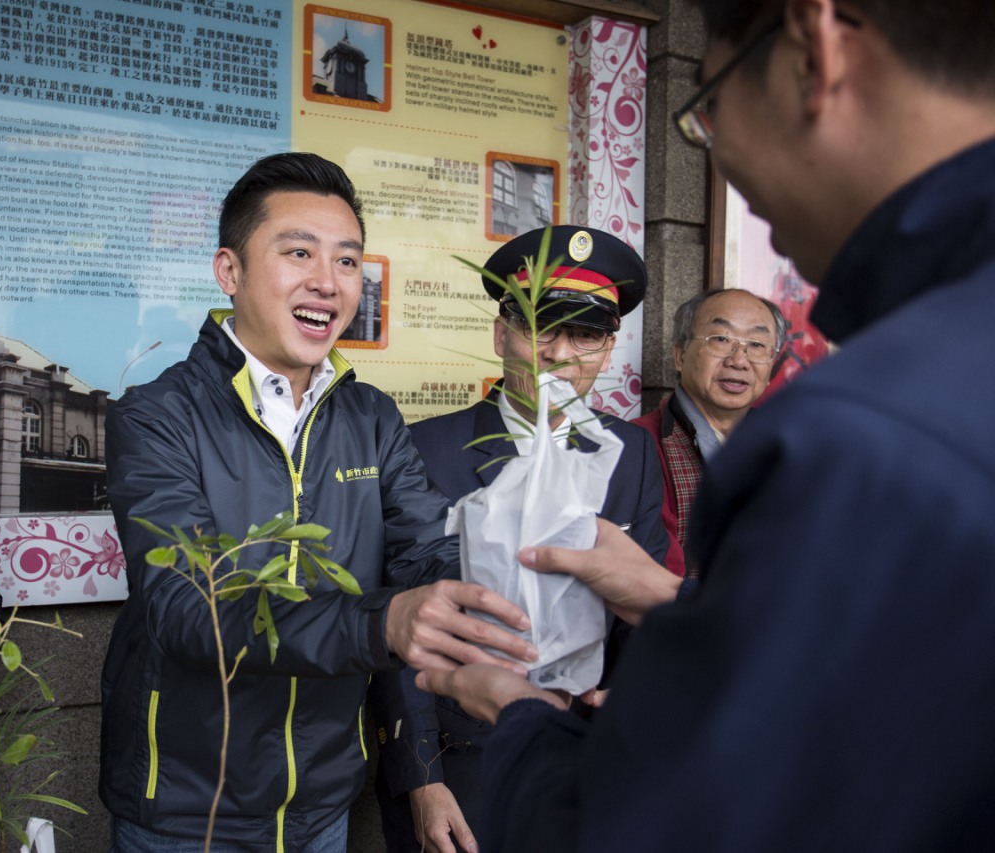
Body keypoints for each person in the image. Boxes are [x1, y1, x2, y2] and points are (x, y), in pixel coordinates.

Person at [419, 0, 995, 848]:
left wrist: (523, 718)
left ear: (816, 46)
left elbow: (668, 823)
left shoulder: (858, 436)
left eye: (709, 107)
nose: (718, 148)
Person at [100, 152, 537, 853]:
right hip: (189, 808)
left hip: (324, 798)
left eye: (345, 260)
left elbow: (426, 547)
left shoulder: (369, 416)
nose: (327, 282)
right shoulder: (157, 418)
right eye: (298, 251)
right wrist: (382, 623)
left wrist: (524, 594)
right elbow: (190, 608)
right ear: (230, 271)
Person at [371, 225, 671, 853]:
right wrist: (422, 782)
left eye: (586, 334)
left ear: (609, 348)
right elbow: (397, 628)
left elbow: (637, 621)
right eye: (544, 327)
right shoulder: (427, 449)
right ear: (503, 333)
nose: (560, 353)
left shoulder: (631, 452)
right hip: (464, 769)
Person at [632, 289, 786, 575]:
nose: (739, 360)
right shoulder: (634, 447)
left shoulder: (788, 447)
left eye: (757, 344)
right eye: (721, 339)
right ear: (680, 355)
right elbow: (647, 576)